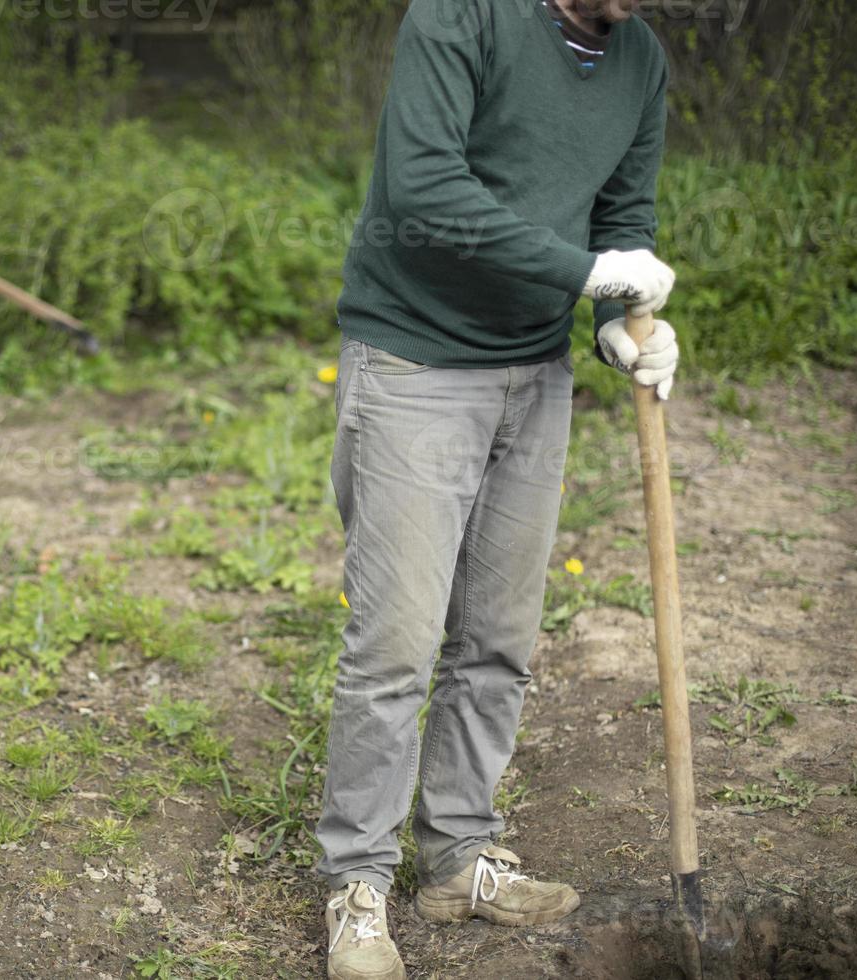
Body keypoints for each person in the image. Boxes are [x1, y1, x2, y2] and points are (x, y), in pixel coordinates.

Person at [318, 1, 680, 976]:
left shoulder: (641, 58)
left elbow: (624, 215)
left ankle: (458, 854)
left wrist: (615, 316)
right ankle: (358, 880)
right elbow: (426, 188)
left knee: (499, 636)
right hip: (416, 358)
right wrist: (586, 268)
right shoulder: (461, 16)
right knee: (396, 640)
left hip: (536, 370)